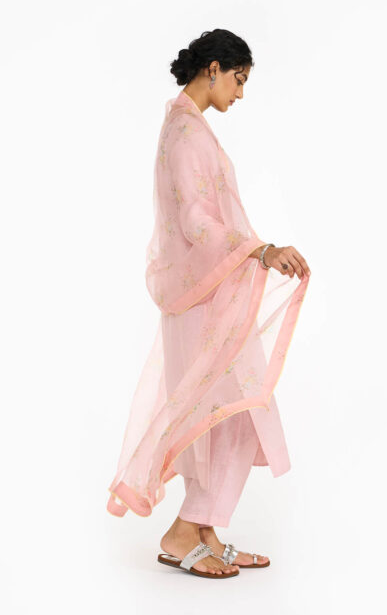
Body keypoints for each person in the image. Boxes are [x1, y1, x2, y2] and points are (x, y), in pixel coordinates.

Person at [106, 29, 311, 579]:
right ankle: (183, 532)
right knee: (224, 412)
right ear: (214, 68)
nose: (240, 94)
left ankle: (204, 530)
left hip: (211, 293)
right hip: (200, 299)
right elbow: (197, 222)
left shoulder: (188, 125)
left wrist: (256, 253)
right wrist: (262, 251)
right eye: (238, 80)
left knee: (232, 414)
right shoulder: (184, 132)